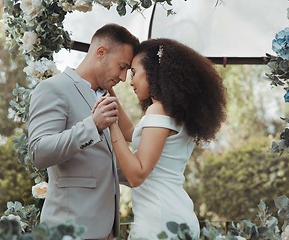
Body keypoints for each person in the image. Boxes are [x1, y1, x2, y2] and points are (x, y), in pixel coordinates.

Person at [94, 38, 227, 239]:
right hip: (174, 215)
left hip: (159, 221)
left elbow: (137, 175)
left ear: (153, 73)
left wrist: (110, 124)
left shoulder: (158, 110)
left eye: (134, 72)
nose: (130, 81)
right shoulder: (173, 112)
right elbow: (131, 132)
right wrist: (109, 93)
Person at [27, 23, 139, 239]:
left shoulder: (106, 97)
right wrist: (92, 126)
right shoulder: (53, 88)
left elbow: (105, 163)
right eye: (122, 66)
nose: (123, 77)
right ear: (101, 52)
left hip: (106, 231)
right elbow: (39, 152)